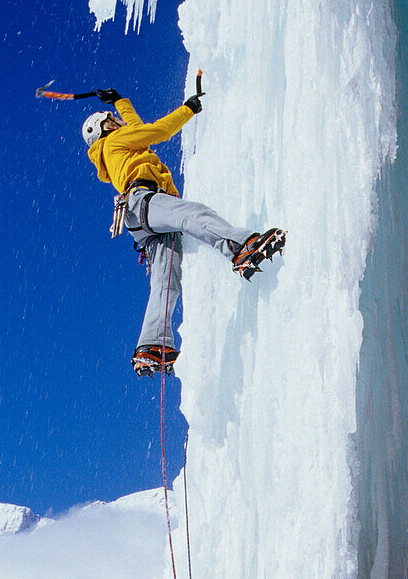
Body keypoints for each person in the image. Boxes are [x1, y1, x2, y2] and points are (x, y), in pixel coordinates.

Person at [83, 88, 285, 376]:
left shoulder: (115, 149)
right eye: (111, 119)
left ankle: (151, 345)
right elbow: (156, 131)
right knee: (192, 214)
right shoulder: (114, 141)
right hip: (144, 199)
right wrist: (188, 109)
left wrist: (120, 101)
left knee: (167, 279)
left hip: (138, 216)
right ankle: (241, 248)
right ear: (103, 128)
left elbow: (138, 130)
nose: (117, 120)